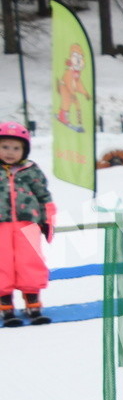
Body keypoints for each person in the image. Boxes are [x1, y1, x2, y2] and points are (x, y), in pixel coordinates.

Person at [0, 122, 55, 326]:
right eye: (5, 147)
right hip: (1, 226)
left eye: (16, 148)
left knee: (30, 262)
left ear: (25, 150)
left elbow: (44, 196)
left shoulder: (30, 170)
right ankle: (6, 307)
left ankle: (33, 304)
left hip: (27, 224)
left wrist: (47, 220)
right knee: (2, 264)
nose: (10, 152)